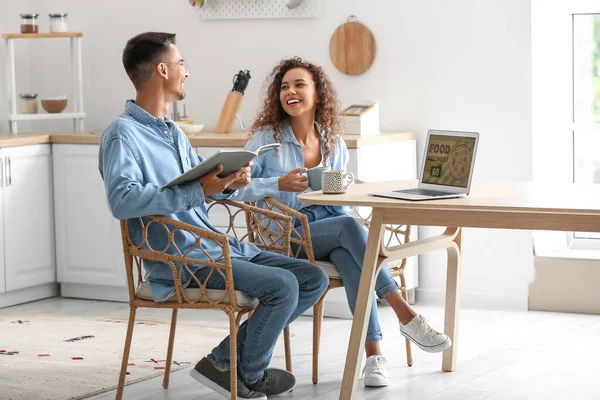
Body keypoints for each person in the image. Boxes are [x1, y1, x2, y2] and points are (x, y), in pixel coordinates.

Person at [98, 34, 329, 400]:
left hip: (215, 246)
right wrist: (201, 191)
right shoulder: (122, 135)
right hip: (179, 258)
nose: (186, 72)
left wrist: (229, 183)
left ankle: (224, 361)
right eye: (181, 64)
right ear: (163, 69)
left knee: (312, 277)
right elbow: (121, 200)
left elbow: (200, 185)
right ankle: (248, 373)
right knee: (282, 286)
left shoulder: (174, 132)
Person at [234, 57, 452, 387]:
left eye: (299, 84)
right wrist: (277, 184)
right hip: (288, 235)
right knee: (350, 229)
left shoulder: (332, 140)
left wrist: (337, 183)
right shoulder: (268, 138)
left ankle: (374, 357)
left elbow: (337, 193)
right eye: (283, 87)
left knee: (351, 259)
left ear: (318, 94)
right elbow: (233, 185)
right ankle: (404, 313)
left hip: (331, 227)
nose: (290, 91)